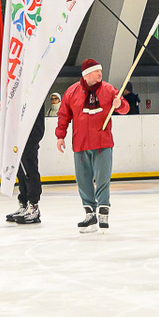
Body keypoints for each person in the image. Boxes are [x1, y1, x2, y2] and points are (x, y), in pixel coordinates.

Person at [53, 59, 127, 230]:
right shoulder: (72, 92)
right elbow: (63, 115)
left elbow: (125, 108)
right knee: (83, 180)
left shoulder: (109, 90)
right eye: (96, 71)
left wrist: (120, 104)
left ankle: (103, 211)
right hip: (80, 144)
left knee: (103, 179)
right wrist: (60, 136)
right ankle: (90, 214)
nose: (100, 74)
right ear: (86, 75)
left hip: (103, 144)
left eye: (100, 71)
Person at [6, 98, 48, 225]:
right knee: (21, 168)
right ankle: (24, 202)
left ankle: (33, 205)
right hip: (19, 131)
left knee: (29, 167)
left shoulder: (35, 91)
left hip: (31, 130)